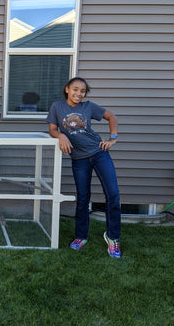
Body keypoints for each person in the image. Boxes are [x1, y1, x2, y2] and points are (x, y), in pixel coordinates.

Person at [46, 77, 121, 258]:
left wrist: (112, 139)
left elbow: (111, 117)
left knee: (113, 194)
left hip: (99, 153)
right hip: (79, 159)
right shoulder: (57, 107)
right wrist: (61, 137)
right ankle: (81, 236)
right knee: (83, 197)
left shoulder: (88, 107)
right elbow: (52, 129)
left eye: (82, 91)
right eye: (75, 89)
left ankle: (113, 238)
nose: (79, 94)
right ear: (67, 89)